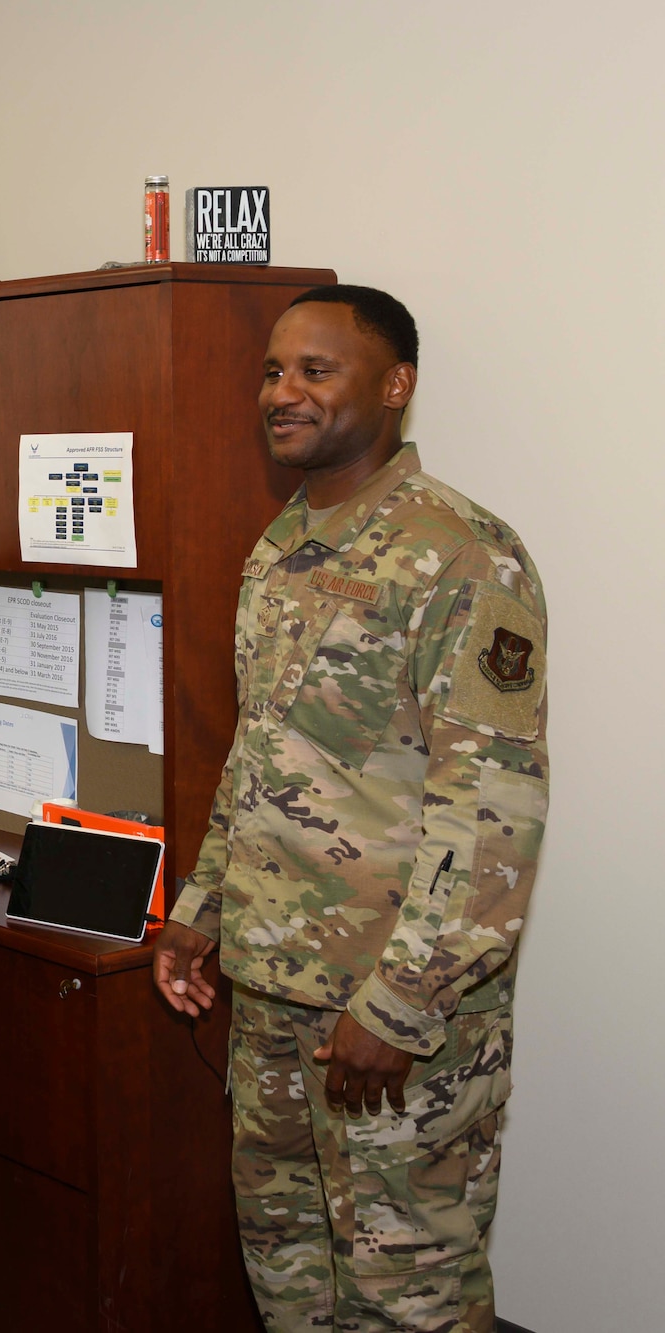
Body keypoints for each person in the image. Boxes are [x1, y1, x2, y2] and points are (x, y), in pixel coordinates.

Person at [154, 286, 548, 1333]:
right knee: (287, 1262)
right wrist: (201, 908)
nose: (280, 393)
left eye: (313, 371)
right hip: (272, 986)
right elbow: (258, 753)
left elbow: (492, 810)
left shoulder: (460, 552)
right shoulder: (283, 545)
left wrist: (402, 1002)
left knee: (405, 1287)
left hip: (385, 1012)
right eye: (271, 372)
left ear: (393, 385)